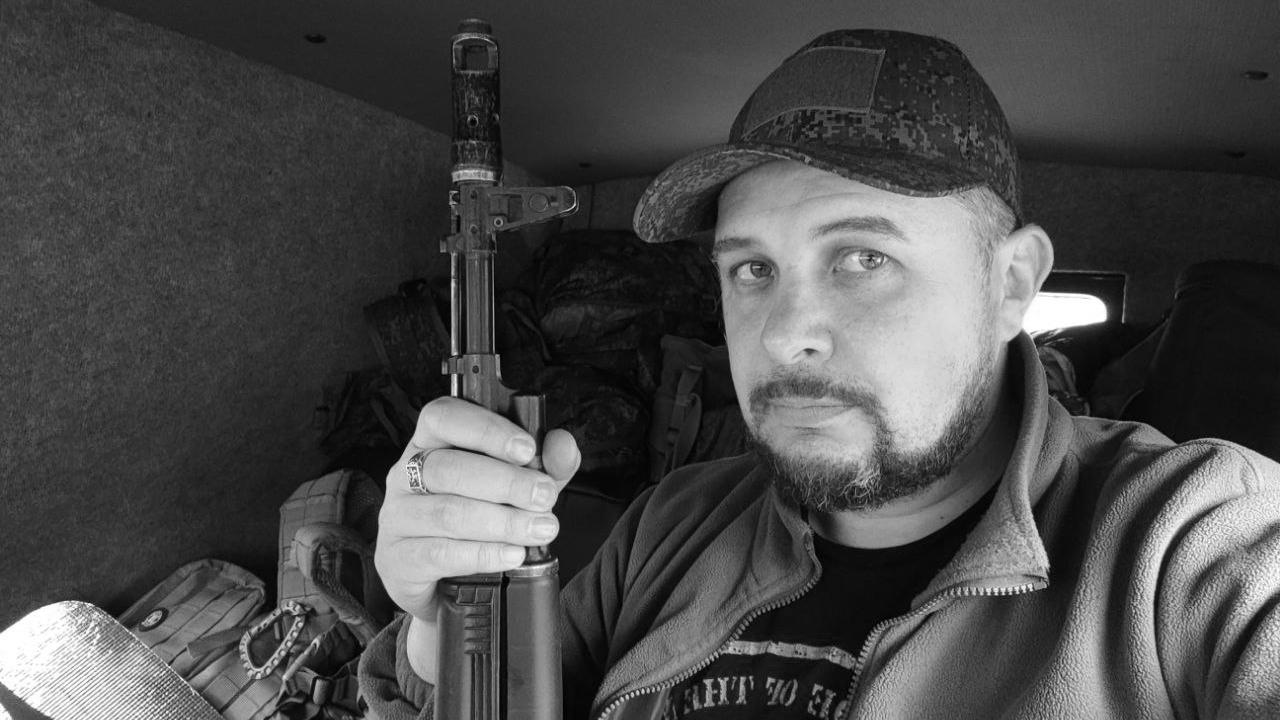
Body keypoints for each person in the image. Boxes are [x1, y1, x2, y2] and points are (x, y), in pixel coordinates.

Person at [359, 29, 1280, 719]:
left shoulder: (1194, 539)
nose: (786, 334)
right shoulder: (669, 527)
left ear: (1010, 285)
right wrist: (440, 618)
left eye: (862, 259)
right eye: (751, 269)